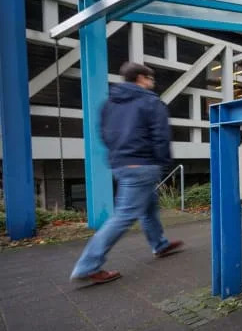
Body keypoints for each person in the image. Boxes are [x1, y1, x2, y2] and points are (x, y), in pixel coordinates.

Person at [70, 62, 184, 284]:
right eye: (151, 79)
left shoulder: (109, 104)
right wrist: (163, 163)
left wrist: (121, 155)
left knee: (149, 205)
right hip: (143, 164)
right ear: (141, 78)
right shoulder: (151, 102)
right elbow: (161, 137)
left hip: (121, 164)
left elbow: (104, 134)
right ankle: (87, 265)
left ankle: (159, 244)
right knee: (124, 216)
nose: (152, 83)